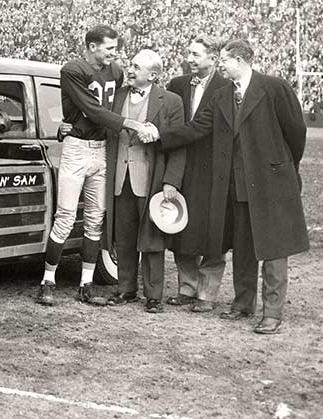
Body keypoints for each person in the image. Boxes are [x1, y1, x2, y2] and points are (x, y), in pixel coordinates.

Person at [142, 39, 308, 334]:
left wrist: (283, 168)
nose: (223, 65)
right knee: (243, 248)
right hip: (236, 187)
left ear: (242, 61)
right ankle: (243, 304)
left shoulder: (274, 88)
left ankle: (272, 313)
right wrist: (160, 135)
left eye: (227, 61)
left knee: (273, 250)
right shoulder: (222, 96)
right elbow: (196, 128)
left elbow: (296, 133)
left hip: (271, 184)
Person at [35, 25, 150, 306]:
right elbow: (93, 110)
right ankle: (47, 281)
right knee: (64, 216)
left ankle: (85, 283)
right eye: (109, 48)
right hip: (77, 147)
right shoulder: (73, 70)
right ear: (92, 47)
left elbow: (120, 100)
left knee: (95, 219)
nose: (114, 53)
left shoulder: (116, 72)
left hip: (101, 149)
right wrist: (131, 123)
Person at [104, 49, 186, 313]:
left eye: (136, 67)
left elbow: (178, 146)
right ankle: (125, 289)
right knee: (124, 236)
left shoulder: (171, 101)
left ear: (153, 75)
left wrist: (171, 182)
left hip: (151, 180)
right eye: (131, 64)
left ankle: (153, 295)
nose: (130, 69)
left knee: (151, 238)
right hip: (120, 178)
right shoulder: (117, 97)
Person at [164, 36, 232, 312]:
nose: (190, 59)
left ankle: (207, 293)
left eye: (196, 54)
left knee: (214, 233)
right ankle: (187, 288)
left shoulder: (227, 88)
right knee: (181, 227)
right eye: (188, 53)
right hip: (182, 165)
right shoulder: (177, 85)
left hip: (215, 171)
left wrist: (161, 136)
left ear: (213, 58)